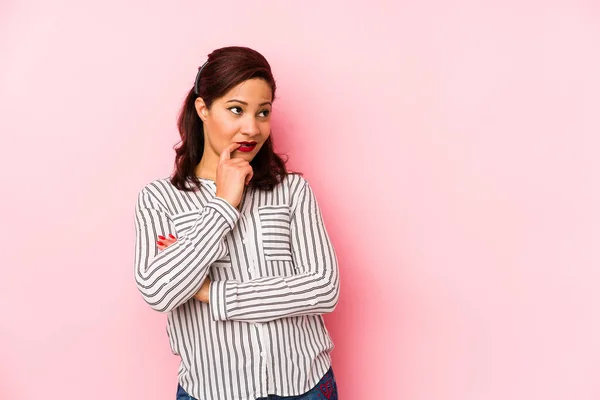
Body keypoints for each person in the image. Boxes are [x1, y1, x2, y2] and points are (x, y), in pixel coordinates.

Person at [134, 46, 340, 400]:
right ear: (203, 109)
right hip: (212, 391)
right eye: (236, 110)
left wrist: (215, 294)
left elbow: (323, 288)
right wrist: (224, 205)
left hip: (305, 386)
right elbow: (160, 290)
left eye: (263, 112)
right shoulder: (159, 199)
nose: (252, 128)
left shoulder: (292, 191)